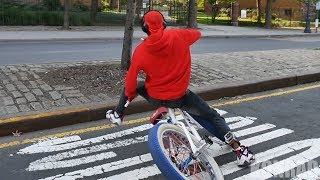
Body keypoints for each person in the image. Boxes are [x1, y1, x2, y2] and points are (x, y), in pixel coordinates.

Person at [106, 10, 255, 167]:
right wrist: (175, 34)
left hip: (155, 96)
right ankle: (240, 151)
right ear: (164, 24)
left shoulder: (141, 50)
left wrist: (130, 94)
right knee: (212, 117)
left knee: (136, 85)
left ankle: (118, 114)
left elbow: (130, 82)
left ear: (145, 28)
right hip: (180, 96)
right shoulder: (178, 35)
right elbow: (196, 34)